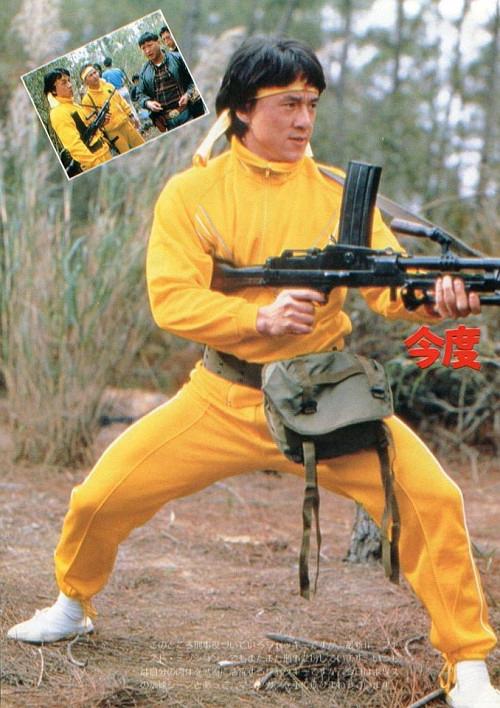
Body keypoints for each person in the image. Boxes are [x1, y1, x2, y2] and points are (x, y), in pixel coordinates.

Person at [9, 37, 499, 708]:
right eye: (288, 103)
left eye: (312, 104)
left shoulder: (337, 193)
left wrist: (439, 301)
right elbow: (171, 299)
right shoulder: (193, 194)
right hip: (223, 396)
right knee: (101, 498)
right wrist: (258, 318)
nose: (304, 120)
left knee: (433, 500)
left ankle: (468, 665)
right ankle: (73, 603)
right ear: (242, 108)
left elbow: (392, 289)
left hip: (325, 399)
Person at [43, 67, 112, 173]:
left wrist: (101, 123)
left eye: (69, 81)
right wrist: (96, 165)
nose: (70, 85)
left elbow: (87, 128)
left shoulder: (73, 105)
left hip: (103, 153)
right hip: (96, 162)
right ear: (53, 90)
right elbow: (75, 146)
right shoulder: (58, 113)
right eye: (64, 83)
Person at [135, 31, 197, 132]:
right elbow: (140, 95)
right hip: (168, 122)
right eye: (143, 48)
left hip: (187, 112)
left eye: (149, 45)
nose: (147, 50)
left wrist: (188, 94)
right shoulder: (143, 72)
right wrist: (148, 103)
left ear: (158, 42)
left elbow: (193, 80)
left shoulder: (177, 58)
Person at [80, 64, 145, 154]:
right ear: (86, 81)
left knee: (143, 147)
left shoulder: (108, 86)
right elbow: (91, 122)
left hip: (126, 124)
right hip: (114, 133)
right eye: (90, 75)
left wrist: (131, 116)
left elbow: (121, 102)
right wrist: (102, 123)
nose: (94, 76)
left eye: (95, 72)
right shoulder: (87, 100)